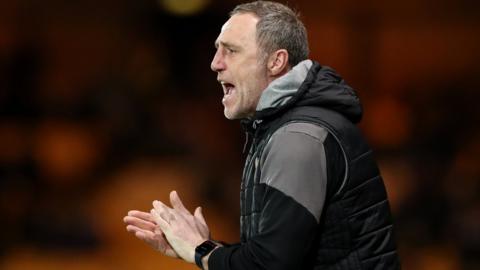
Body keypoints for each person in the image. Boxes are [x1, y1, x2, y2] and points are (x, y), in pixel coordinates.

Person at [123, 1, 401, 269]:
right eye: (217, 50)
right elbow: (272, 255)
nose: (215, 64)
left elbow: (269, 265)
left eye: (231, 51)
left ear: (276, 61)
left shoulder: (298, 137)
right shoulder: (288, 126)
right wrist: (203, 248)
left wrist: (201, 250)